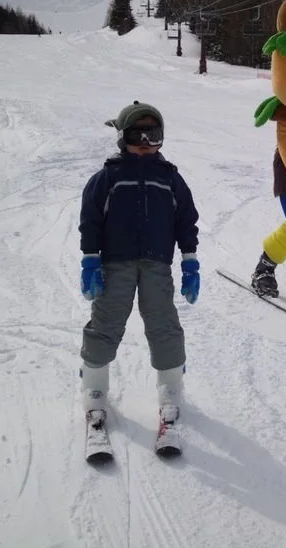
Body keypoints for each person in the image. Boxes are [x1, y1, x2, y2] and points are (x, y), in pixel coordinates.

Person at [78, 101, 200, 448]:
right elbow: (91, 220)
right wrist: (90, 260)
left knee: (164, 325)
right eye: (137, 136)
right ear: (122, 137)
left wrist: (190, 261)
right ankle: (95, 391)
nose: (146, 143)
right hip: (115, 265)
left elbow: (185, 220)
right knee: (105, 324)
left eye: (154, 135)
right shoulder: (107, 178)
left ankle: (170, 392)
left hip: (157, 265)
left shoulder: (170, 178)